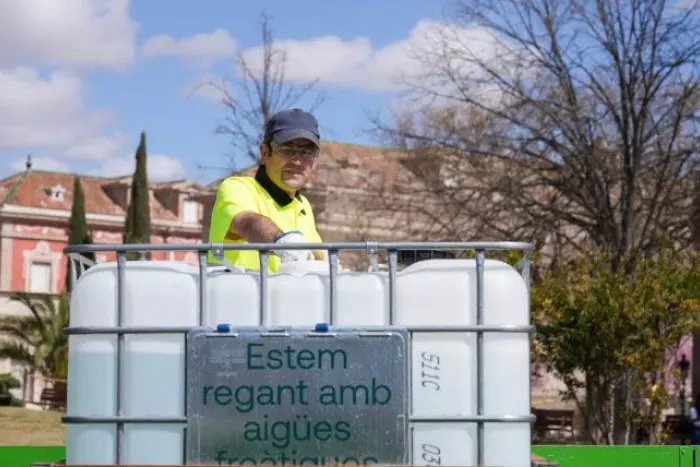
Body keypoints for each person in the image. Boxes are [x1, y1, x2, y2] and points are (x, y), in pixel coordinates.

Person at [207, 108, 326, 273]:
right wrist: (282, 242)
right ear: (265, 152)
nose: (298, 161)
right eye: (287, 150)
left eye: (307, 152)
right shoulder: (237, 187)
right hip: (236, 296)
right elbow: (247, 222)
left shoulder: (303, 205)